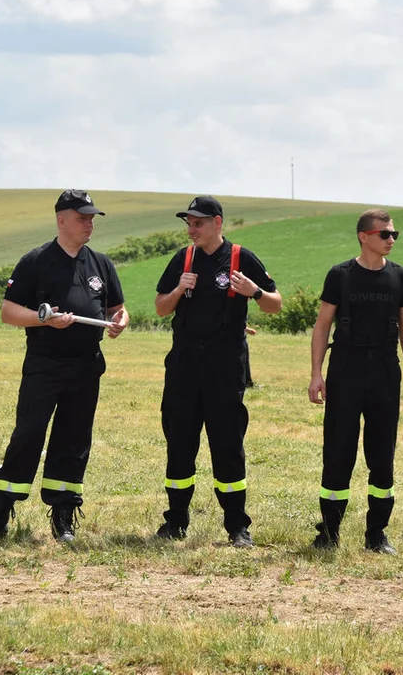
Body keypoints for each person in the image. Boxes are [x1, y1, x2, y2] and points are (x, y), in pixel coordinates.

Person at [0, 189, 128, 543]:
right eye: (83, 218)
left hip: (86, 366)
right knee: (27, 434)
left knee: (73, 440)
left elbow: (117, 308)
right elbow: (9, 313)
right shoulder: (35, 261)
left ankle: (63, 517)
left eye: (92, 219)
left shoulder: (101, 264)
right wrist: (45, 321)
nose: (89, 224)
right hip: (45, 363)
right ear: (62, 219)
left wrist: (120, 321)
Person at [153, 196, 281, 547]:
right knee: (179, 443)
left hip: (224, 369)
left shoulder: (241, 257)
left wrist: (253, 291)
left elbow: (276, 304)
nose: (191, 229)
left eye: (198, 223)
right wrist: (180, 288)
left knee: (227, 445)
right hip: (183, 366)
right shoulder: (184, 258)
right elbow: (161, 308)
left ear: (217, 223)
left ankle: (237, 526)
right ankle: (175, 520)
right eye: (188, 223)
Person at [307, 208, 403, 553]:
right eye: (384, 234)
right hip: (345, 368)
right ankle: (328, 533)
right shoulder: (340, 275)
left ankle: (376, 533)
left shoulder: (400, 277)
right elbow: (322, 327)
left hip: (385, 371)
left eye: (394, 235)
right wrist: (316, 373)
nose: (391, 240)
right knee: (338, 452)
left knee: (382, 454)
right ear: (364, 237)